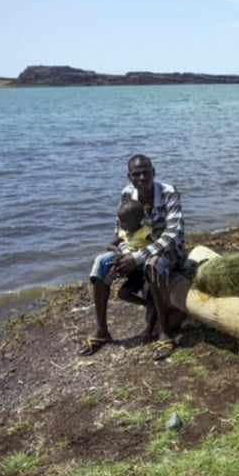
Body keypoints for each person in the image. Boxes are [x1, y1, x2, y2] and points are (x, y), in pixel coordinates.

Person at [80, 154, 186, 360]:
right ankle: (102, 330)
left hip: (168, 253)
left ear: (153, 173)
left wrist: (136, 258)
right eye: (136, 174)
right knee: (101, 263)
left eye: (146, 172)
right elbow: (122, 231)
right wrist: (126, 255)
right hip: (135, 252)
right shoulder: (127, 194)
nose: (142, 178)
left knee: (154, 265)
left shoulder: (169, 193)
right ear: (129, 177)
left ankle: (164, 333)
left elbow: (172, 235)